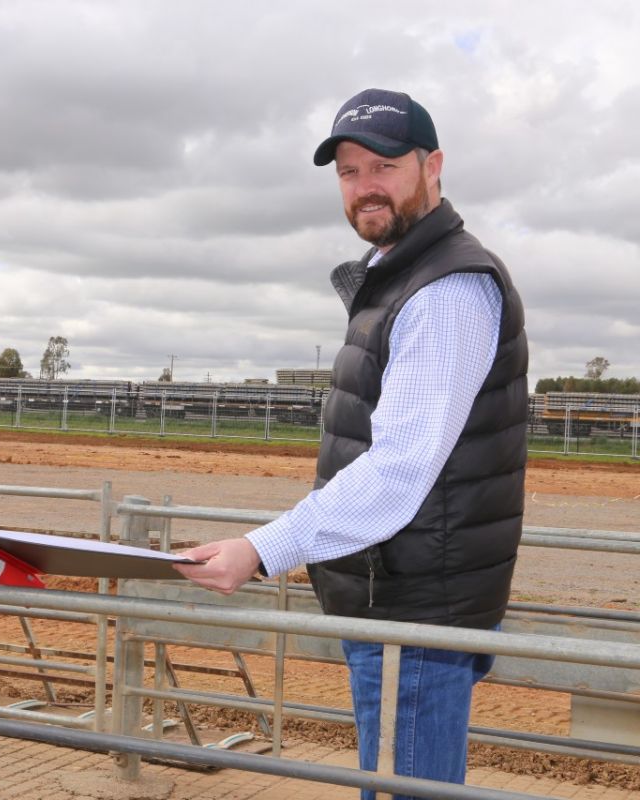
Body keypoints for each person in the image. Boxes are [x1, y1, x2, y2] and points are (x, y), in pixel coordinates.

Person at [175, 89, 528, 798]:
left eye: (384, 166)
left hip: (418, 612)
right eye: (347, 170)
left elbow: (399, 469)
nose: (364, 186)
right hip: (395, 595)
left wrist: (263, 547)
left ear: (433, 166)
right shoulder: (400, 280)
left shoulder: (446, 290)